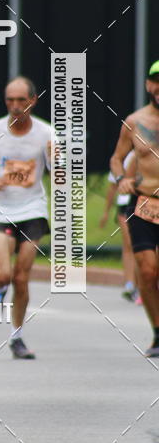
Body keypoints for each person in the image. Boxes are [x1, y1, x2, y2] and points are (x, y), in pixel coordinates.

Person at [0, 77, 53, 360]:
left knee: (22, 276)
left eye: (21, 101)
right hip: (2, 211)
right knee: (4, 274)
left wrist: (59, 159)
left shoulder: (46, 133)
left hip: (33, 210)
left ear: (33, 101)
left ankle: (16, 337)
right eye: (10, 101)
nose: (15, 107)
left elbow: (59, 172)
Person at [110, 61, 159, 357]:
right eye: (156, 81)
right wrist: (121, 180)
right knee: (147, 271)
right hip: (143, 203)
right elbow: (117, 159)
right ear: (148, 85)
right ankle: (157, 332)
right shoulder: (134, 121)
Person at [99, 150, 139, 302]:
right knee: (129, 244)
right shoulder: (123, 157)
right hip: (125, 205)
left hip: (147, 203)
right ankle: (130, 284)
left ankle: (144, 285)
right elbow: (112, 186)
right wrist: (106, 212)